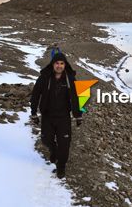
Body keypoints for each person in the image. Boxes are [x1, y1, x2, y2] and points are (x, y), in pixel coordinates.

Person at [30, 51, 82, 179]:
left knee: (64, 144)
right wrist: (34, 113)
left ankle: (61, 167)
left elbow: (76, 98)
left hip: (63, 117)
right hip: (47, 115)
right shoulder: (45, 77)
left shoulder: (69, 78)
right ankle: (53, 151)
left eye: (62, 63)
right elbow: (36, 94)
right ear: (53, 64)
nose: (59, 66)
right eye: (57, 63)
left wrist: (78, 115)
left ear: (65, 65)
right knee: (46, 139)